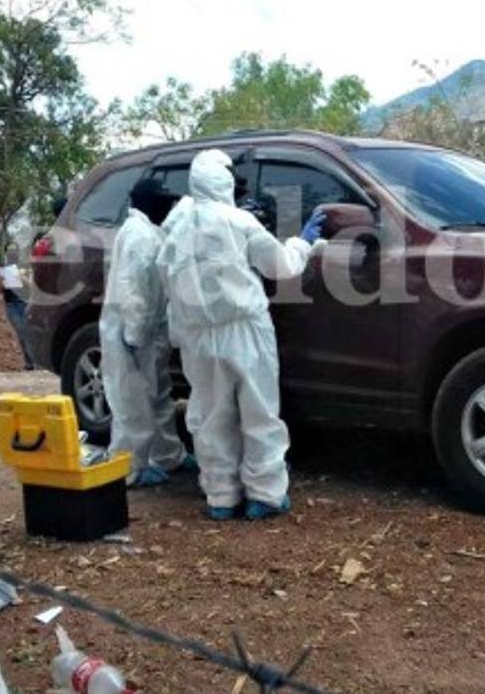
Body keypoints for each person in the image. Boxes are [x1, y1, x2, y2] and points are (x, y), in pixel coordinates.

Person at [156, 150, 325, 520]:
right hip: (245, 329)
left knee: (210, 417)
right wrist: (304, 242)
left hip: (198, 337)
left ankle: (221, 497)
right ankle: (265, 494)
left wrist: (179, 334)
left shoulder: (174, 230)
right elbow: (280, 266)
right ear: (226, 181)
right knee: (259, 411)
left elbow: (168, 287)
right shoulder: (238, 220)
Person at [100, 179, 195, 488]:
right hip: (131, 330)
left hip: (147, 328)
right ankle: (129, 467)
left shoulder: (146, 232)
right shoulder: (139, 236)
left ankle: (167, 455)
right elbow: (132, 289)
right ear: (149, 202)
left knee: (157, 394)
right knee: (131, 401)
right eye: (162, 200)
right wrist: (134, 333)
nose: (167, 206)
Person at [0, 244, 35, 370]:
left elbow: (32, 286)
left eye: (14, 251)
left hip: (24, 303)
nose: (12, 254)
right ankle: (30, 363)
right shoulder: (4, 269)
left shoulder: (25, 268)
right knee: (22, 334)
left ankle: (33, 363)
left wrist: (21, 277)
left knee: (29, 334)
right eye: (9, 251)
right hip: (11, 306)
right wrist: (3, 282)